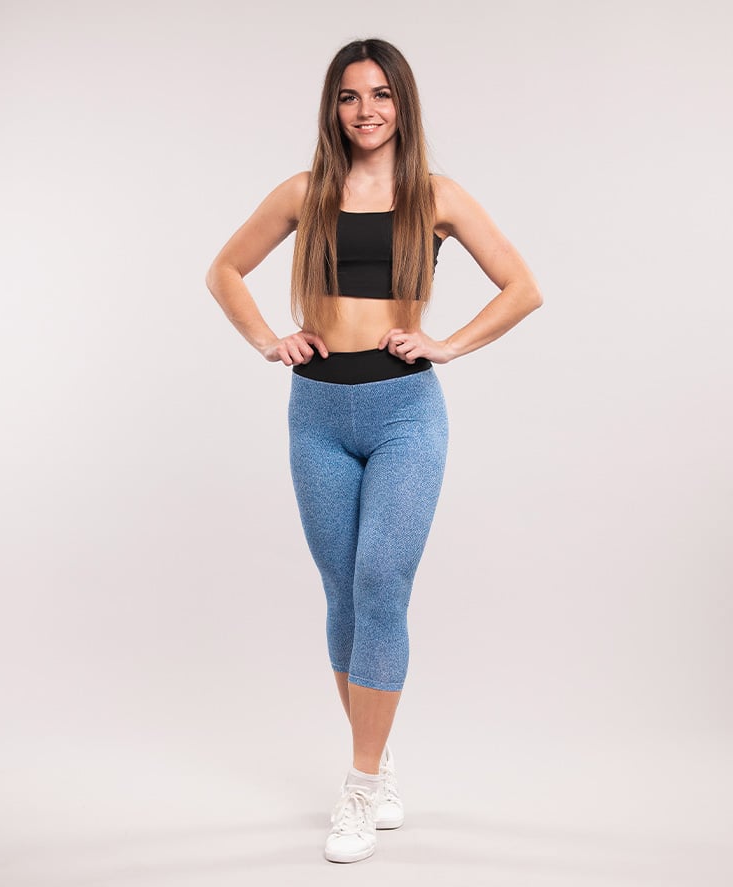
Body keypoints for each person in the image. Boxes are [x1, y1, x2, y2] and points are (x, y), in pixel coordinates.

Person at [205, 37, 542, 864]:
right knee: (343, 594)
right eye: (351, 95)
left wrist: (447, 344)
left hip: (402, 414)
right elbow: (224, 270)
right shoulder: (304, 192)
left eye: (381, 94)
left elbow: (522, 287)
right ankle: (377, 756)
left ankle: (358, 788)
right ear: (334, 106)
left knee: (381, 579)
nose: (366, 110)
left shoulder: (435, 196)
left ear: (402, 104)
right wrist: (266, 339)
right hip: (317, 413)